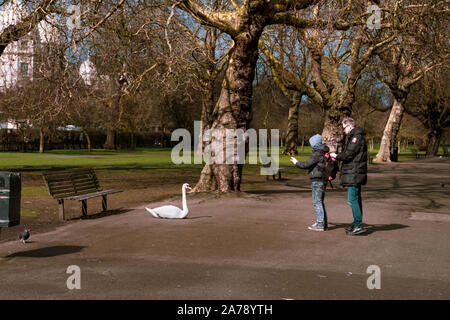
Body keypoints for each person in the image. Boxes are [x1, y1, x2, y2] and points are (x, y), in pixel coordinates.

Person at [330, 117, 368, 235]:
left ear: (350, 126)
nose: (344, 131)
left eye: (344, 128)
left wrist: (336, 156)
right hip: (356, 172)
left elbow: (349, 154)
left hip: (354, 172)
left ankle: (358, 225)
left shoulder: (356, 137)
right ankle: (357, 223)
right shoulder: (355, 136)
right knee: (356, 198)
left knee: (352, 200)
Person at [290, 134, 329, 231]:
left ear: (314, 144)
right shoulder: (323, 151)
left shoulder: (317, 154)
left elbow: (305, 165)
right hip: (322, 179)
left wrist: (296, 162)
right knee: (320, 202)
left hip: (317, 180)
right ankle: (323, 223)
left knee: (317, 202)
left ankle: (320, 224)